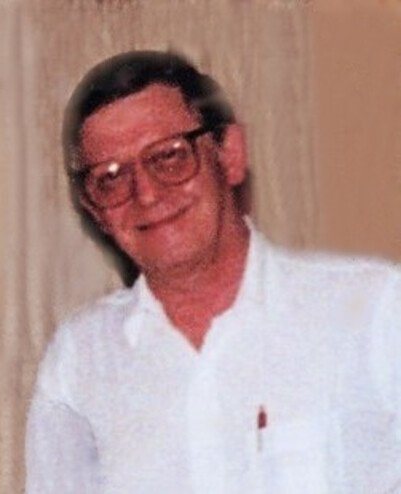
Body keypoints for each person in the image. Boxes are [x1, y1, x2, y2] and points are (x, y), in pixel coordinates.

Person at [25, 50, 401, 493]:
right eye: (111, 177)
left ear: (230, 155)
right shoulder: (80, 361)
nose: (146, 194)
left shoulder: (372, 312)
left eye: (169, 157)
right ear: (95, 210)